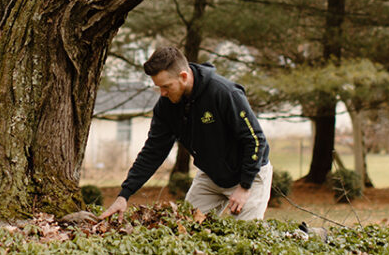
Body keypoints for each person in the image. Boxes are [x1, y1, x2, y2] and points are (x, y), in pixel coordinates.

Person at [100, 46, 272, 220]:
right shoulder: (166, 106)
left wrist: (244, 186)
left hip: (249, 174)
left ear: (183, 76)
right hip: (211, 176)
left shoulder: (224, 92)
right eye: (158, 87)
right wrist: (124, 195)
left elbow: (256, 140)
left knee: (246, 237)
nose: (163, 93)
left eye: (166, 86)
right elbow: (153, 151)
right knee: (185, 229)